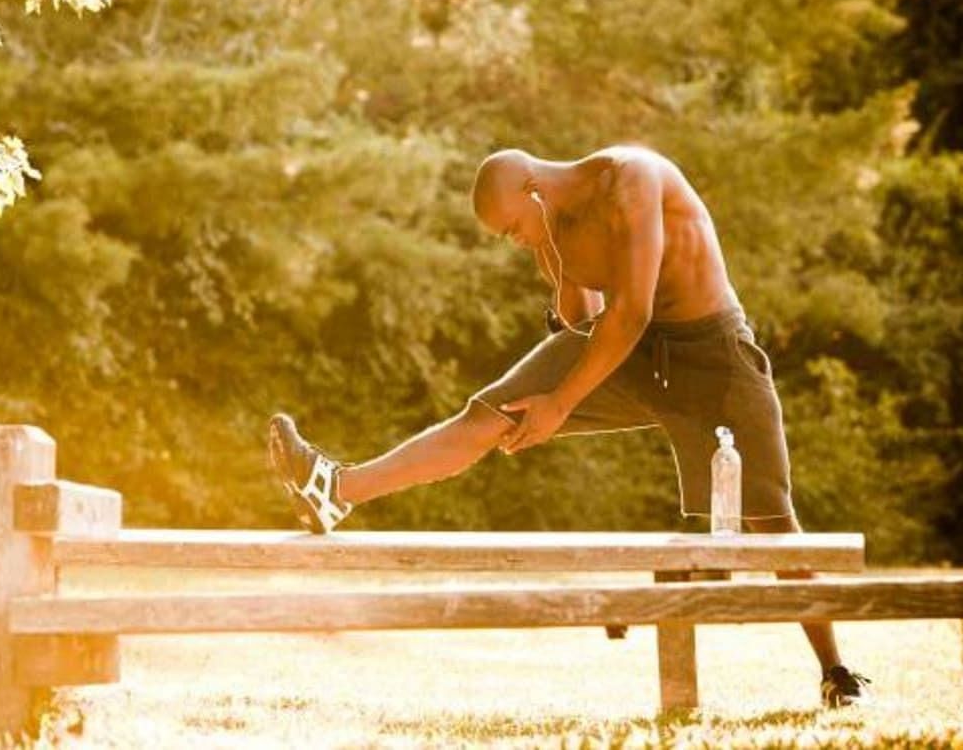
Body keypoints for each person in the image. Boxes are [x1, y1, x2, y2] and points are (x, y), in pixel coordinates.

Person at [268, 145, 870, 707]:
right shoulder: (550, 232)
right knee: (490, 413)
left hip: (713, 355)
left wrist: (559, 402)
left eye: (512, 229)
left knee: (773, 520)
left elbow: (631, 311)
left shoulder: (630, 180)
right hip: (632, 355)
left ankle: (834, 670)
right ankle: (334, 490)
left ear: (533, 190)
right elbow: (583, 323)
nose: (514, 243)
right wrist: (554, 326)